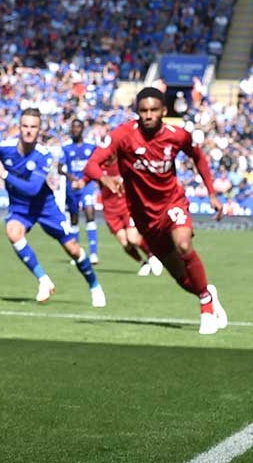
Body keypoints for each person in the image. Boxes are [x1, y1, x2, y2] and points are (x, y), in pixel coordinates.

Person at [84, 87, 227, 335]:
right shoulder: (123, 135)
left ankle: (205, 305)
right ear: (137, 112)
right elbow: (92, 165)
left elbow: (198, 157)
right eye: (143, 111)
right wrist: (105, 179)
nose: (148, 115)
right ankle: (207, 292)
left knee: (183, 245)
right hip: (144, 217)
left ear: (163, 111)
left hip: (172, 203)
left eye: (153, 110)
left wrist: (212, 193)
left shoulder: (178, 135)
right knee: (180, 277)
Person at [0, 108, 105, 307]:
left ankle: (94, 285)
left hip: (45, 206)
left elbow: (33, 189)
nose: (28, 131)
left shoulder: (43, 155)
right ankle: (44, 280)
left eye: (33, 127)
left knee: (73, 250)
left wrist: (5, 175)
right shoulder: (4, 146)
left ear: (39, 130)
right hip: (20, 207)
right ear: (19, 127)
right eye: (25, 126)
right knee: (13, 232)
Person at [92, 158, 162, 277]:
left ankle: (152, 256)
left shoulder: (122, 162)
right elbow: (87, 175)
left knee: (133, 238)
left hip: (126, 207)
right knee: (125, 243)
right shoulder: (99, 167)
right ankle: (143, 263)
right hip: (110, 212)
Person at [60, 119, 100, 263]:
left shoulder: (91, 146)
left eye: (78, 127)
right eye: (73, 127)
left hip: (86, 186)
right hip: (72, 188)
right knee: (74, 220)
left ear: (83, 128)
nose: (75, 129)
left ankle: (94, 253)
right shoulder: (66, 148)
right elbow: (60, 168)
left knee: (90, 214)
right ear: (71, 129)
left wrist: (91, 179)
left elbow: (97, 164)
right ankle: (76, 254)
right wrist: (71, 178)